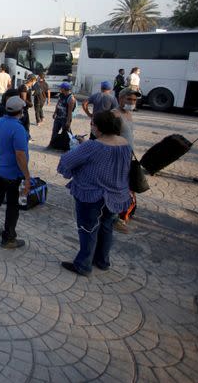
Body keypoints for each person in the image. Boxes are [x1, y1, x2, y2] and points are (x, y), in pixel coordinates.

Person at [57, 111, 132, 276]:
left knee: (88, 229)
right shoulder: (124, 143)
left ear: (98, 127)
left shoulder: (93, 146)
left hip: (92, 194)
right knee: (106, 228)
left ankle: (83, 265)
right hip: (116, 195)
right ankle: (102, 261)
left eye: (92, 124)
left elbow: (67, 161)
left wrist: (79, 146)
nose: (91, 127)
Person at [0, 96, 31, 249]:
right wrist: (27, 177)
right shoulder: (18, 128)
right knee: (12, 206)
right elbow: (20, 155)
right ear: (20, 111)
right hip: (12, 175)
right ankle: (9, 238)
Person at [112, 87, 140, 232]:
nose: (132, 102)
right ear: (120, 98)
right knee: (118, 187)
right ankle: (115, 216)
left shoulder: (129, 114)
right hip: (117, 158)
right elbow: (108, 137)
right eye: (129, 99)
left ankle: (124, 213)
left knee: (127, 186)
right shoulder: (114, 114)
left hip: (128, 156)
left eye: (134, 100)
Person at [48, 82, 76, 148]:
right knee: (54, 131)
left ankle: (71, 146)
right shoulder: (61, 95)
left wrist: (68, 121)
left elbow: (70, 112)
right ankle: (51, 145)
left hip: (65, 119)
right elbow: (58, 104)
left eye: (61, 88)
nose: (60, 88)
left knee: (67, 133)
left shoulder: (71, 98)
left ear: (64, 89)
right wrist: (55, 112)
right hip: (58, 117)